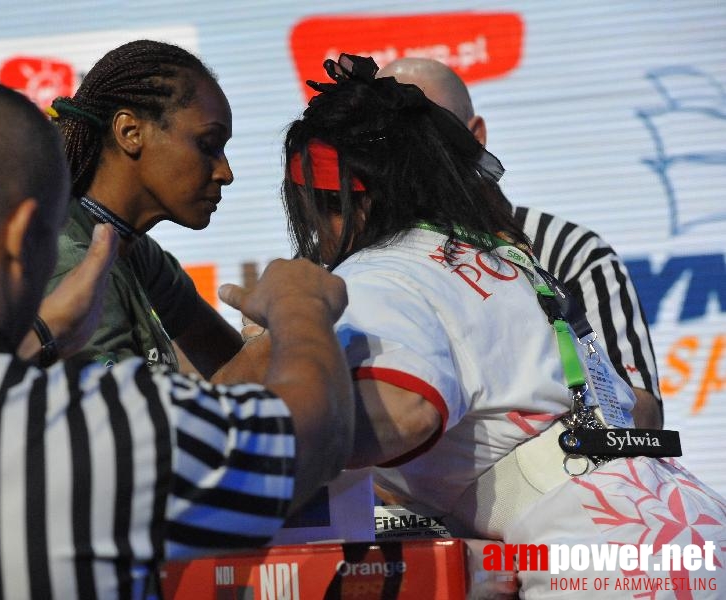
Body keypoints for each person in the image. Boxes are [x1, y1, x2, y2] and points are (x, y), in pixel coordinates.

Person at [0, 76, 354, 599]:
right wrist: (300, 306)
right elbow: (307, 443)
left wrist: (42, 335)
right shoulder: (109, 425)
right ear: (24, 233)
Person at [281, 54, 725, 597]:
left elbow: (407, 411)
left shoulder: (379, 271)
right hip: (685, 530)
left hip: (598, 562)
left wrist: (285, 378)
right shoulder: (501, 254)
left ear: (328, 201)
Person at [377, 57, 663, 430]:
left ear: (475, 136)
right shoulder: (349, 261)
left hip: (556, 482)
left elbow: (642, 414)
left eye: (429, 129)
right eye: (384, 136)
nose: (410, 152)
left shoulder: (570, 251)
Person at [45, 39, 242, 377]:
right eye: (208, 145)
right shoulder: (73, 264)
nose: (225, 173)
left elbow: (235, 368)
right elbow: (131, 425)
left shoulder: (134, 252)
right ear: (130, 132)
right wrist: (297, 316)